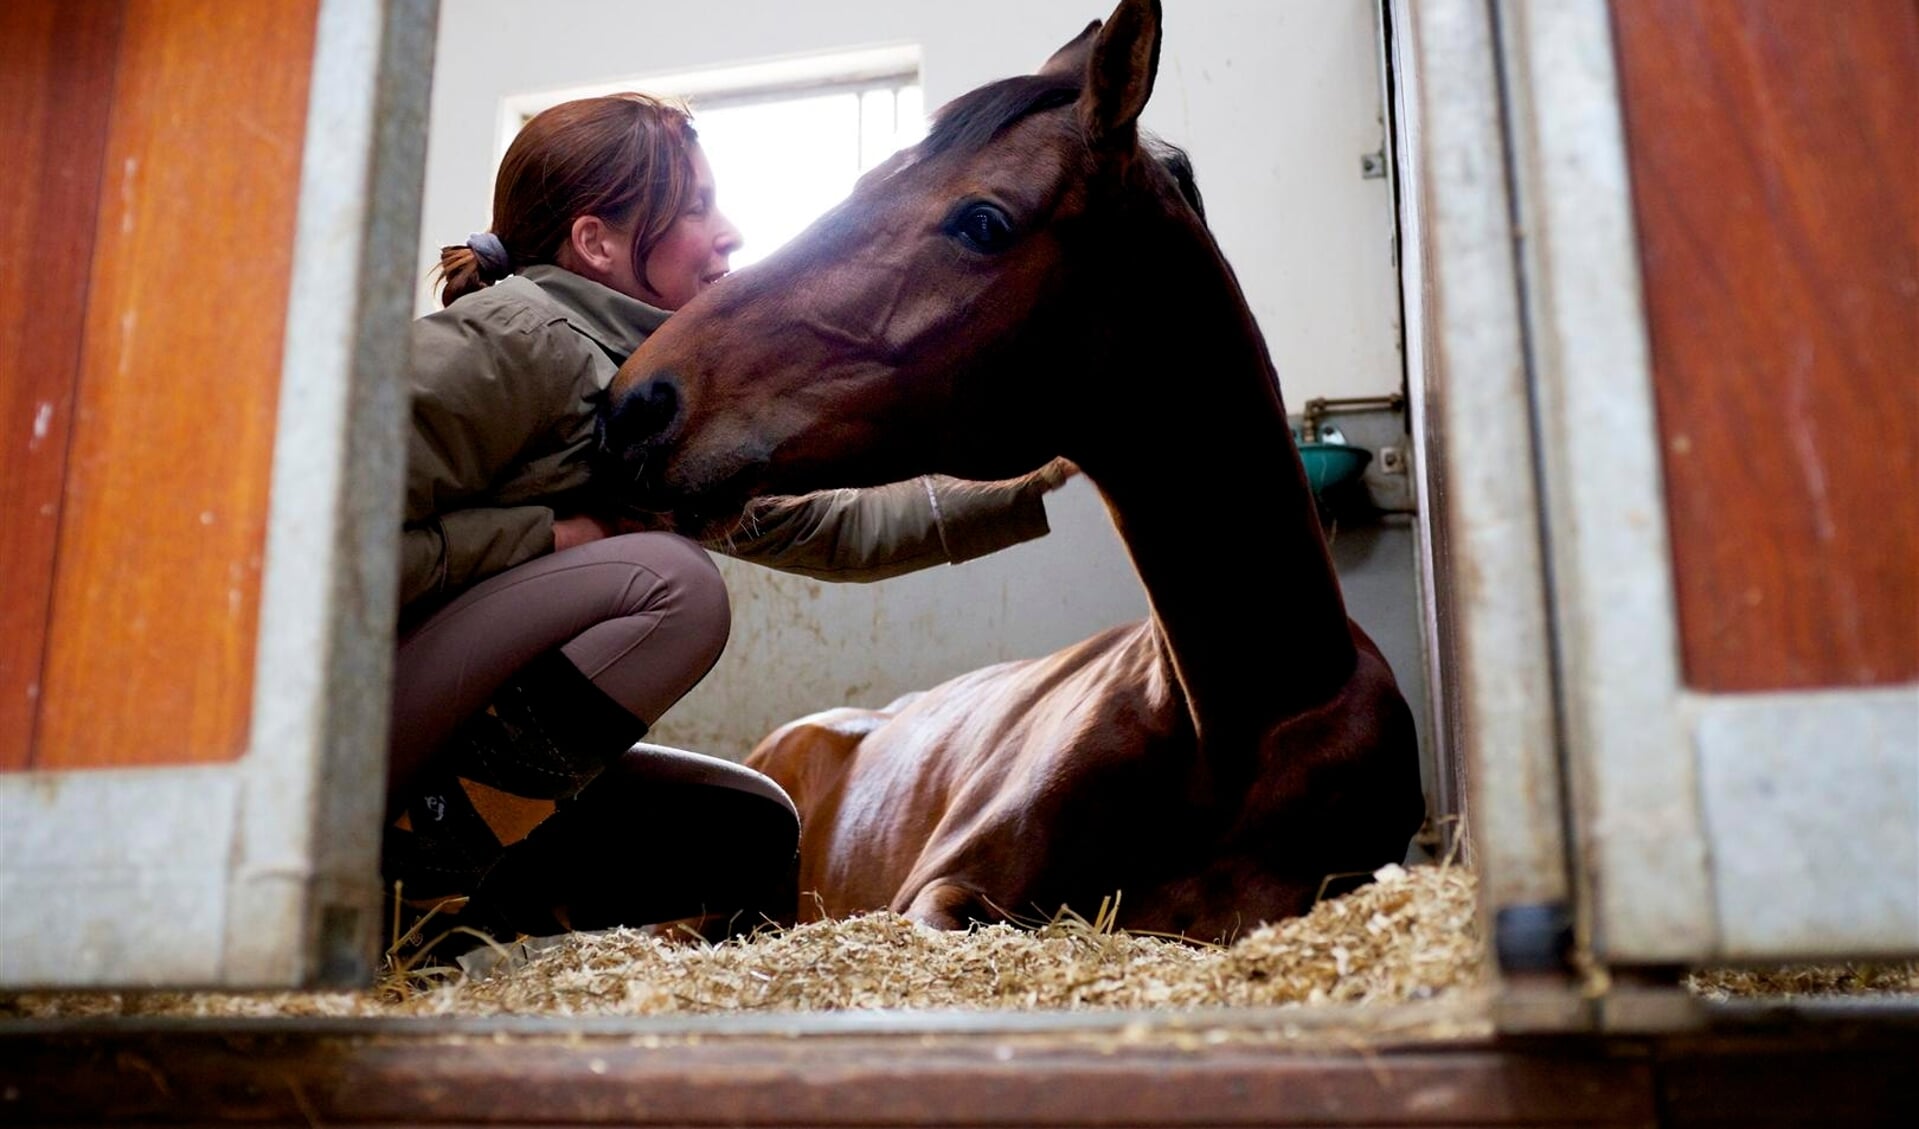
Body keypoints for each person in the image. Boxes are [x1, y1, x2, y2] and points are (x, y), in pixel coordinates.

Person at [386, 92, 1071, 951]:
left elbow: (832, 528)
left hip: (443, 742)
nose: (731, 232)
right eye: (696, 207)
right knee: (674, 586)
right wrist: (551, 540)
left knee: (750, 828)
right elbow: (306, 542)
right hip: (347, 734)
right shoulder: (515, 336)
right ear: (596, 241)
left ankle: (475, 897)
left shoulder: (649, 385)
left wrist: (1048, 469)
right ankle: (411, 897)